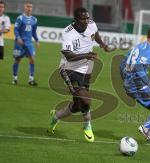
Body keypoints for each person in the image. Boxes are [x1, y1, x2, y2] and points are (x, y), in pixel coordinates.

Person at [47, 7, 109, 142]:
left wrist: (103, 44)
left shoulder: (91, 24)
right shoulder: (68, 33)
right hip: (69, 69)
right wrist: (87, 55)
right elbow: (68, 56)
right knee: (86, 100)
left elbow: (96, 35)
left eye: (87, 18)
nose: (86, 21)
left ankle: (55, 117)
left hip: (86, 69)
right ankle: (87, 126)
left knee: (76, 106)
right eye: (83, 19)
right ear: (75, 20)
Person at [12, 1, 39, 86]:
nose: (29, 8)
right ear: (24, 7)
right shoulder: (20, 18)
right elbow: (15, 30)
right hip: (19, 43)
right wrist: (18, 38)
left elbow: (34, 32)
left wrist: (37, 40)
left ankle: (31, 80)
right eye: (28, 6)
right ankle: (14, 78)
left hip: (29, 43)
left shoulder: (34, 19)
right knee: (17, 60)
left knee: (32, 59)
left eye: (30, 7)